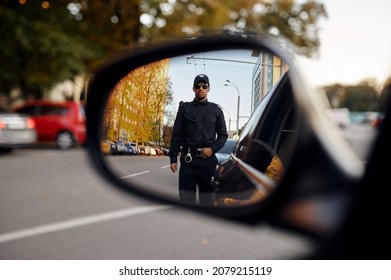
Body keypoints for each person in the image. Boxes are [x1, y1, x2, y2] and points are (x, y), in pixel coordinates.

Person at [169, 74, 228, 205]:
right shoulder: (185, 109)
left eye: (204, 86)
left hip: (208, 163)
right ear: (193, 89)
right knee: (185, 201)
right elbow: (176, 135)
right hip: (188, 161)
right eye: (198, 86)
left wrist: (212, 149)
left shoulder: (216, 111)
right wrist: (173, 159)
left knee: (207, 202)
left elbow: (223, 135)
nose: (201, 88)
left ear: (208, 88)